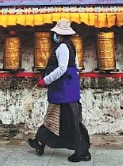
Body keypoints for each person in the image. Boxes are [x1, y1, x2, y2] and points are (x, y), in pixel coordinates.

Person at [28, 19, 91, 162]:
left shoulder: (63, 47)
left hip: (63, 90)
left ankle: (82, 152)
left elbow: (62, 68)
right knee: (55, 118)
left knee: (68, 121)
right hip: (67, 88)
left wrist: (46, 80)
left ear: (60, 34)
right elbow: (74, 67)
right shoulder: (71, 45)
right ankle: (40, 141)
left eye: (56, 33)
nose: (54, 36)